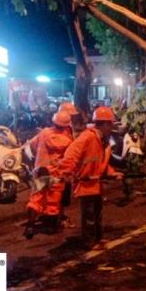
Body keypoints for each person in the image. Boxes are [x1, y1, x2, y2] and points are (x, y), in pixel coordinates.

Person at [57, 106, 123, 247]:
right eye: (110, 124)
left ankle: (97, 239)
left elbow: (100, 161)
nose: (111, 127)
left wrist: (111, 172)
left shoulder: (101, 139)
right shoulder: (88, 137)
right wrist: (66, 172)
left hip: (95, 183)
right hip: (85, 184)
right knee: (89, 216)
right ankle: (89, 242)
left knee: (97, 214)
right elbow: (71, 154)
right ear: (104, 124)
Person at [24, 110, 74, 239]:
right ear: (67, 125)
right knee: (53, 202)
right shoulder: (67, 140)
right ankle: (51, 227)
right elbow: (69, 157)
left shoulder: (44, 133)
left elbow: (32, 146)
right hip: (56, 175)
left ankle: (30, 226)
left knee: (36, 199)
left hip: (41, 171)